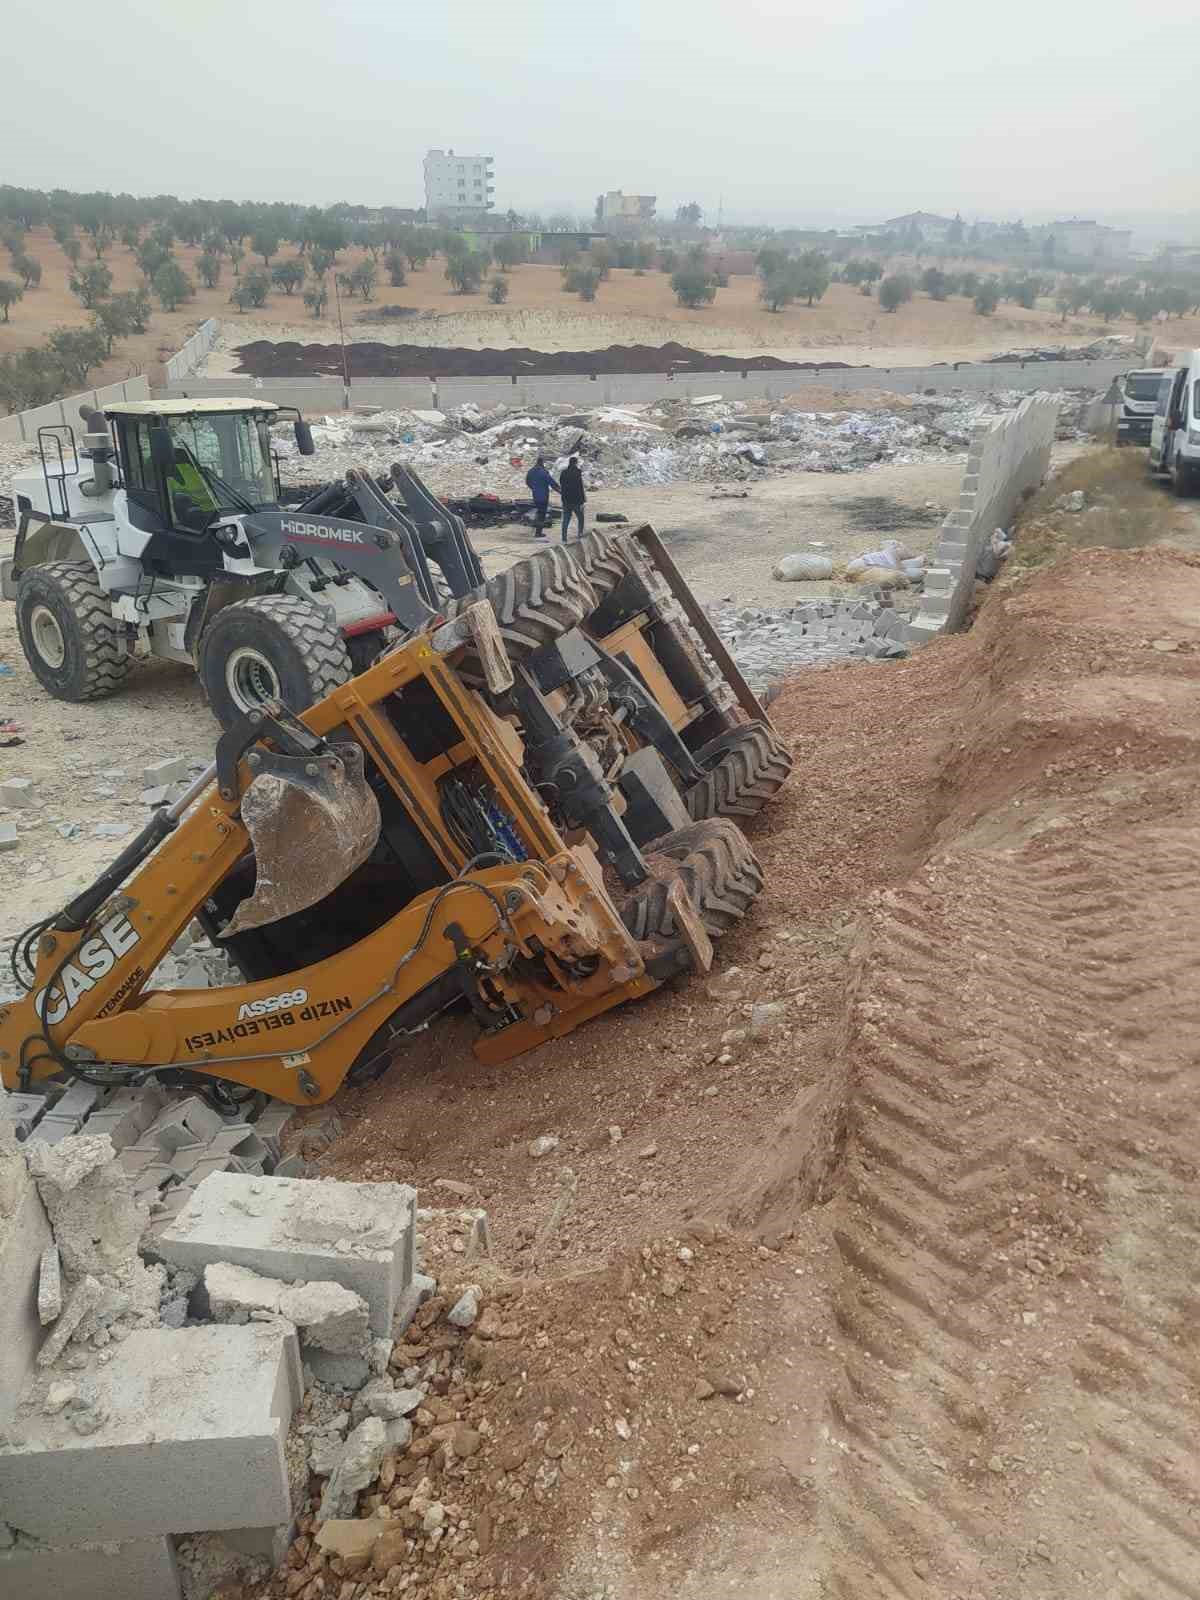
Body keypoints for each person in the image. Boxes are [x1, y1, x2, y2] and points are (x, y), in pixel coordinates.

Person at [524, 456, 559, 539]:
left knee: (539, 511)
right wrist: (561, 492)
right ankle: (538, 533)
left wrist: (533, 488)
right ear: (542, 463)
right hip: (543, 496)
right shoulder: (543, 472)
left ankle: (536, 529)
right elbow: (552, 484)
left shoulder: (531, 471)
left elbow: (527, 482)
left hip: (535, 495)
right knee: (542, 514)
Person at [559, 454, 586, 541]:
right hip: (576, 500)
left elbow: (561, 484)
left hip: (566, 500)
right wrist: (583, 500)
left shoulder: (563, 472)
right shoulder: (578, 472)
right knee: (580, 517)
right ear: (575, 463)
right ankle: (580, 534)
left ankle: (564, 538)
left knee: (566, 519)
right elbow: (580, 486)